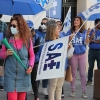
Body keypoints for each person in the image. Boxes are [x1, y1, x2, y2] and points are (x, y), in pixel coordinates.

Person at [0, 15, 35, 100]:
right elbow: (1, 55)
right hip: (10, 75)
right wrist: (6, 53)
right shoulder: (7, 39)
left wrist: (30, 66)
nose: (12, 27)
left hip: (23, 74)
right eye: (11, 25)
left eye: (14, 26)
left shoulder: (27, 40)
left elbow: (32, 55)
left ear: (20, 26)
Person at [66, 16, 90, 99]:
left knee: (83, 73)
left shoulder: (84, 31)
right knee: (73, 74)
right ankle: (73, 90)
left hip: (82, 54)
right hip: (73, 55)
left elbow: (86, 43)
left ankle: (84, 91)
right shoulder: (70, 31)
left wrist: (87, 36)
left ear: (80, 22)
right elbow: (67, 43)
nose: (75, 21)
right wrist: (70, 38)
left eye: (77, 20)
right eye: (74, 20)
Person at [45, 19, 68, 100]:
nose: (59, 30)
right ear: (52, 30)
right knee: (52, 86)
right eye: (57, 29)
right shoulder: (48, 43)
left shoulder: (61, 40)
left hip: (63, 66)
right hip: (54, 67)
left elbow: (67, 55)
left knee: (59, 87)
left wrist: (69, 48)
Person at [27, 20, 40, 100]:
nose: (28, 28)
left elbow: (37, 49)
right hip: (24, 60)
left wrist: (29, 51)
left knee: (33, 79)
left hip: (34, 60)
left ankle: (36, 96)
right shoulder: (22, 36)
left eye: (29, 27)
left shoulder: (36, 36)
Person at [36, 18, 49, 96]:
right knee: (37, 74)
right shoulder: (37, 32)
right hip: (38, 56)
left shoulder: (49, 33)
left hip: (46, 56)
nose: (43, 25)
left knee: (45, 74)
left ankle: (44, 88)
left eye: (45, 24)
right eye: (42, 23)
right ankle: (36, 88)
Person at [86, 19, 100, 86]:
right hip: (91, 51)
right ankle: (89, 80)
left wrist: (94, 40)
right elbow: (89, 40)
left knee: (99, 66)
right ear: (95, 24)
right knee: (90, 66)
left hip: (99, 51)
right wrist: (92, 36)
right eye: (98, 23)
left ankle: (98, 80)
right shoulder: (92, 31)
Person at [0, 14, 8, 90]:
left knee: (1, 65)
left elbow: (7, 36)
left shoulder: (4, 24)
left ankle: (1, 83)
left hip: (1, 47)